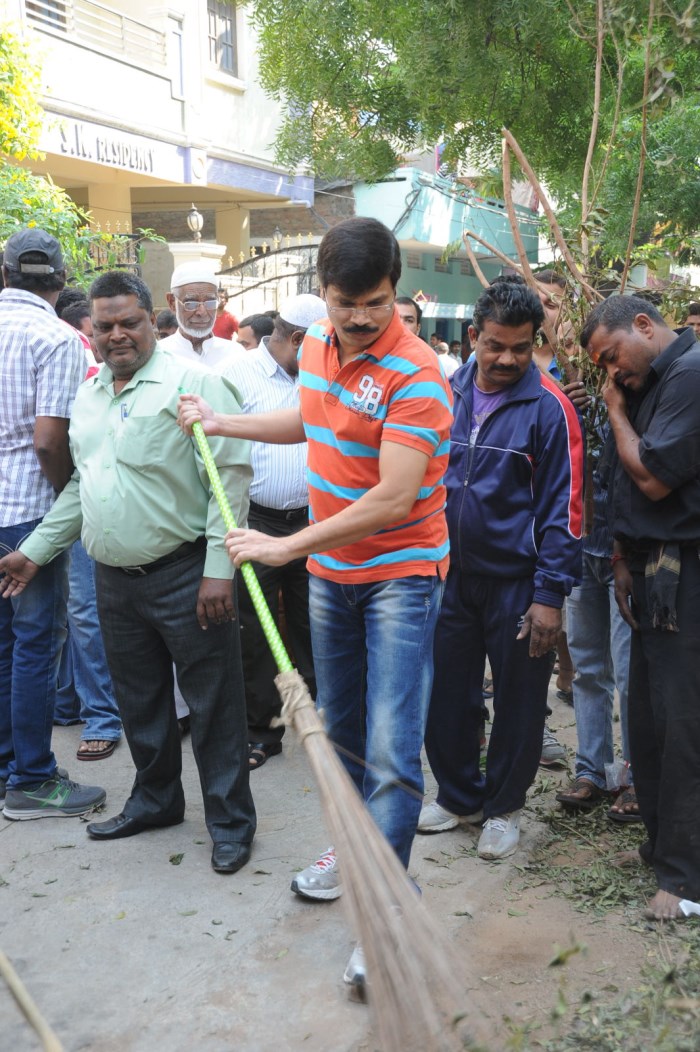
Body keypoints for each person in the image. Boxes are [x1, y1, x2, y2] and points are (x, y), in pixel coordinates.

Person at [179, 216, 452, 990]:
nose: (362, 318)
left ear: (395, 291)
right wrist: (224, 420)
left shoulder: (418, 374)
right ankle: (359, 850)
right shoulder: (323, 349)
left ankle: (386, 903)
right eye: (345, 303)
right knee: (341, 731)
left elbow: (397, 498)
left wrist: (286, 546)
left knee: (395, 750)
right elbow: (311, 416)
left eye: (377, 302)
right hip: (335, 575)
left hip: (398, 577)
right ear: (319, 297)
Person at [0, 271, 256, 874]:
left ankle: (229, 821)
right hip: (114, 580)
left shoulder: (194, 383)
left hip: (188, 574)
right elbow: (81, 488)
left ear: (150, 319)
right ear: (91, 328)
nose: (117, 335)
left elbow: (233, 481)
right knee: (139, 702)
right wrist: (34, 550)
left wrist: (220, 570)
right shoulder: (88, 397)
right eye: (105, 324)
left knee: (214, 705)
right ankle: (157, 800)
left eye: (129, 322)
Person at [418, 280, 584, 859]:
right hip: (448, 576)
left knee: (517, 695)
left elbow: (565, 510)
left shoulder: (550, 408)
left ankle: (503, 807)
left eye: (520, 346)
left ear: (534, 340)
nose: (508, 358)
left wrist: (550, 596)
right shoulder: (443, 391)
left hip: (519, 583)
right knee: (447, 693)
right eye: (495, 345)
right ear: (473, 338)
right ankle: (458, 796)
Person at [580, 294, 700, 921]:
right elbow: (619, 484)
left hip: (688, 571)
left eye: (612, 357)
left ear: (646, 326)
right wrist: (622, 559)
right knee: (648, 719)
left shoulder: (691, 374)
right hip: (650, 567)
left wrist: (616, 411)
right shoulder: (652, 379)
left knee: (684, 725)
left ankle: (688, 880)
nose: (611, 373)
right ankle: (662, 848)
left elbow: (652, 475)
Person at [0, 228, 106, 819]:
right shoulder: (58, 337)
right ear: (62, 281)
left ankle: (8, 767)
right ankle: (34, 780)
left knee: (3, 649)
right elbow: (48, 440)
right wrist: (70, 492)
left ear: (5, 273)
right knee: (35, 648)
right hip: (28, 516)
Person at [222, 294, 323, 769]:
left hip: (316, 521)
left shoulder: (320, 371)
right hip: (258, 521)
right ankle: (262, 731)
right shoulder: (239, 373)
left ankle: (318, 721)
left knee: (313, 622)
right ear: (298, 338)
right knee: (257, 630)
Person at [54, 291, 122, 759]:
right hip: (66, 503)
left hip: (97, 507)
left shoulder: (74, 353)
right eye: (103, 327)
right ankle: (78, 705)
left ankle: (102, 714)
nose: (114, 336)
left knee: (87, 610)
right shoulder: (82, 374)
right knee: (74, 613)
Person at [160, 262, 242, 372]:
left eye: (210, 302)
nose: (202, 312)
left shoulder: (235, 354)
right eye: (191, 303)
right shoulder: (159, 355)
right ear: (172, 302)